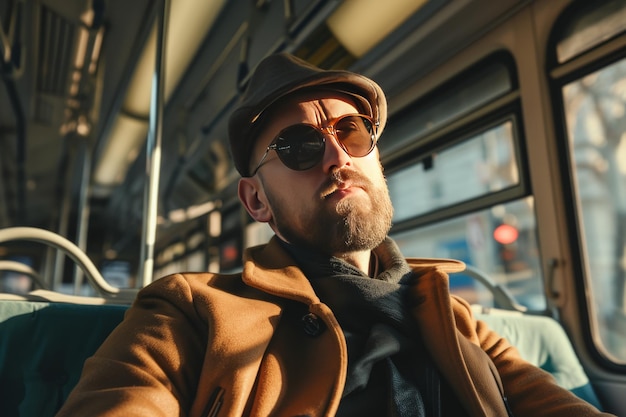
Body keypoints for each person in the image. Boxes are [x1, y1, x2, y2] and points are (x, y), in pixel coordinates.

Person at [56, 53, 615, 417]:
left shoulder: (452, 313)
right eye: (299, 146)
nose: (336, 156)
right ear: (256, 200)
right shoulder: (191, 311)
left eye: (352, 132)